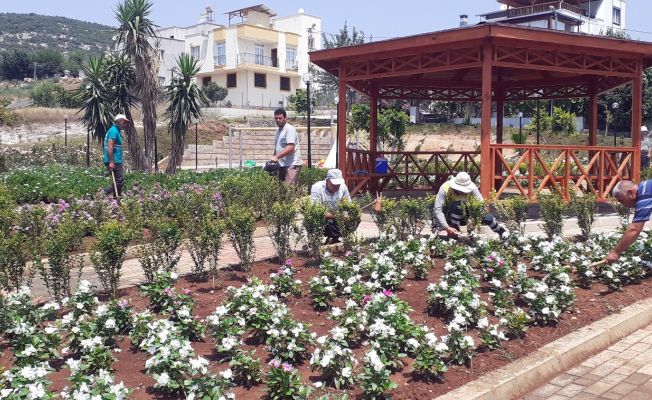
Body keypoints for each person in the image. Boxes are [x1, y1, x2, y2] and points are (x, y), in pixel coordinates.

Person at [433, 171, 506, 238]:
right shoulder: (445, 188)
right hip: (449, 215)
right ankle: (454, 232)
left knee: (487, 217)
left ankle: (502, 233)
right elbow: (437, 210)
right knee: (457, 205)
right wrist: (446, 227)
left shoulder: (473, 188)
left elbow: (481, 206)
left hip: (468, 213)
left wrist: (473, 220)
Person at [602, 180, 652, 264]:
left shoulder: (644, 195)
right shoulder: (645, 186)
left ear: (630, 193)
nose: (623, 205)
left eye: (622, 200)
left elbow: (635, 229)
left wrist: (615, 252)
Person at [310, 168, 352, 244]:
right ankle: (329, 238)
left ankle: (336, 238)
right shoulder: (317, 187)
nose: (336, 186)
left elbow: (348, 204)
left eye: (338, 184)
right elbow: (315, 210)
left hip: (337, 217)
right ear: (327, 180)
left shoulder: (343, 186)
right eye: (334, 184)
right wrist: (338, 216)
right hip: (323, 218)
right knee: (324, 221)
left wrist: (346, 214)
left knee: (354, 219)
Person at [271, 108, 302, 185]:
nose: (278, 120)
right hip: (282, 164)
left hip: (291, 164)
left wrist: (276, 157)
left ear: (285, 118)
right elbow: (277, 147)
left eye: (280, 118)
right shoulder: (278, 131)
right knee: (281, 189)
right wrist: (273, 159)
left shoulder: (289, 129)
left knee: (289, 189)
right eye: (276, 118)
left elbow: (291, 148)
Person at [103, 114, 129, 197]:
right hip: (113, 160)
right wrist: (111, 162)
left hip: (116, 160)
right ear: (120, 121)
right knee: (119, 181)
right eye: (124, 122)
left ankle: (116, 198)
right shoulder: (114, 131)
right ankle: (103, 192)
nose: (125, 125)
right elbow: (110, 146)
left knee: (119, 181)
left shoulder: (116, 131)